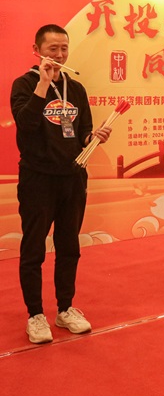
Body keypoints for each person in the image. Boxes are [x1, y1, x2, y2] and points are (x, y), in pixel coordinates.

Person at [10, 24, 112, 344]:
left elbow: (83, 132)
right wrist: (43, 84)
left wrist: (94, 137)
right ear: (37, 50)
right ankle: (35, 314)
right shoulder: (24, 85)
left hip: (73, 177)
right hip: (37, 178)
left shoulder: (75, 88)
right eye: (52, 48)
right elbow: (26, 125)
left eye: (64, 48)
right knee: (34, 248)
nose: (59, 54)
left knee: (69, 246)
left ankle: (65, 308)